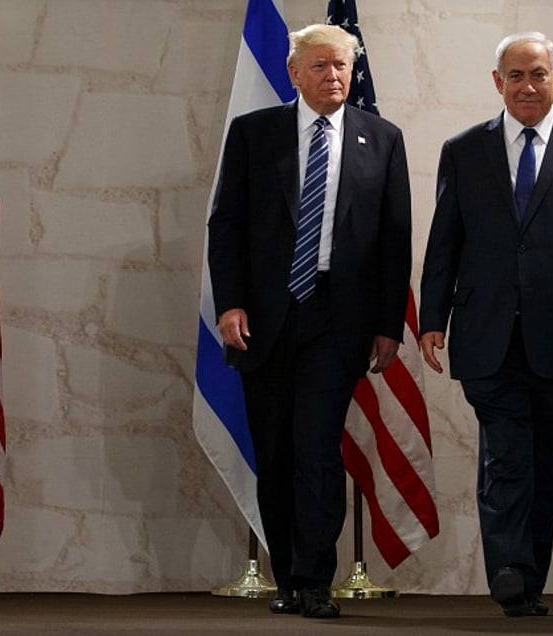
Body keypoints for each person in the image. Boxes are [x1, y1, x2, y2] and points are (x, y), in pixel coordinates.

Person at [419, 32, 553, 617]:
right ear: (498, 83)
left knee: (548, 461)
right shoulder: (463, 151)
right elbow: (445, 243)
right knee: (507, 453)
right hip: (486, 334)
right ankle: (510, 568)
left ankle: (526, 579)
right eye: (515, 76)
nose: (528, 86)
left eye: (537, 74)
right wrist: (431, 318)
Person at [208, 24, 411, 619]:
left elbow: (393, 241)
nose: (335, 77)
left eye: (343, 66)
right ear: (295, 73)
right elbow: (227, 225)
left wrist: (387, 324)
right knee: (274, 452)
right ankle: (289, 579)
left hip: (338, 317)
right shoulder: (254, 134)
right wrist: (230, 303)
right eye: (321, 66)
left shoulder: (383, 139)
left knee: (317, 446)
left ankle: (315, 578)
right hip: (264, 319)